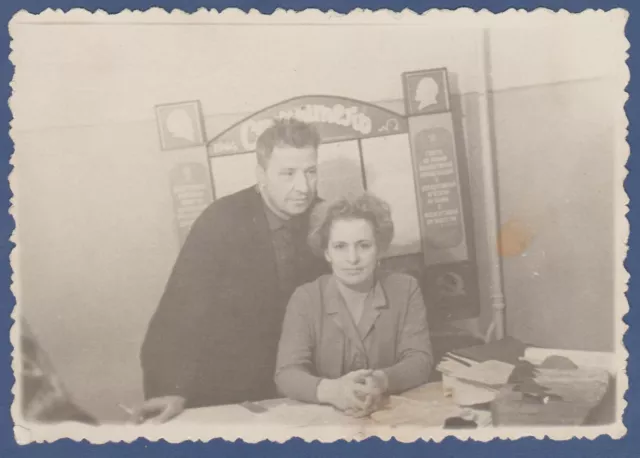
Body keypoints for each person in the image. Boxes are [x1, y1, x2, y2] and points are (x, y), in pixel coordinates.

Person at [136, 119, 328, 423]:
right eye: (288, 174)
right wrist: (170, 388)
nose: (303, 187)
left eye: (311, 171)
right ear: (261, 175)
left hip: (305, 390)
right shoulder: (220, 221)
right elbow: (177, 316)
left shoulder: (326, 218)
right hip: (229, 394)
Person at [274, 193, 432, 417]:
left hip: (389, 417)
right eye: (340, 246)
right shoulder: (305, 298)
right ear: (326, 252)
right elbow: (286, 373)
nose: (352, 258)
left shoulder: (405, 289)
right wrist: (333, 391)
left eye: (363, 245)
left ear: (379, 248)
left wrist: (381, 380)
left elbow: (420, 360)